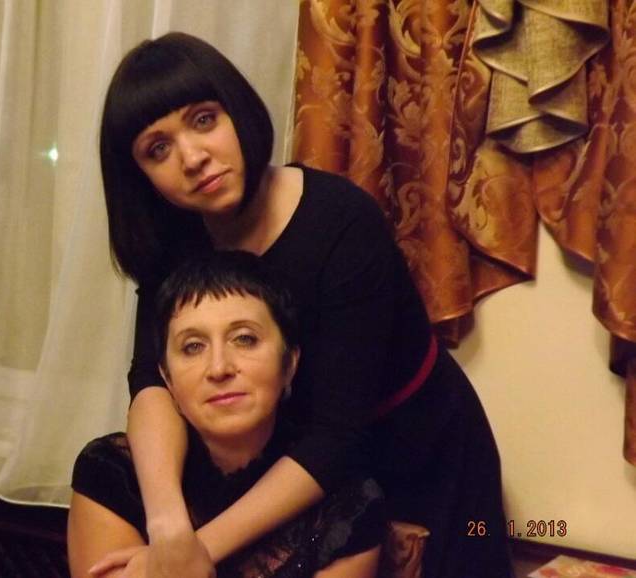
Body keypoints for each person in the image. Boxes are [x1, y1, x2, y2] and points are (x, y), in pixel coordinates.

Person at [93, 31, 514, 578]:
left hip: (421, 459)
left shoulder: (342, 222)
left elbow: (339, 436)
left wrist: (190, 552)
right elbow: (152, 379)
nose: (192, 157)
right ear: (140, 177)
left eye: (204, 120)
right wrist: (168, 525)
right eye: (158, 149)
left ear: (238, 110)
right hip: (286, 472)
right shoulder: (174, 240)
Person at [68, 251, 387, 578]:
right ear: (167, 378)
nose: (219, 368)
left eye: (245, 339)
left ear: (289, 364)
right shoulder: (113, 473)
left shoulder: (347, 504)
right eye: (193, 346)